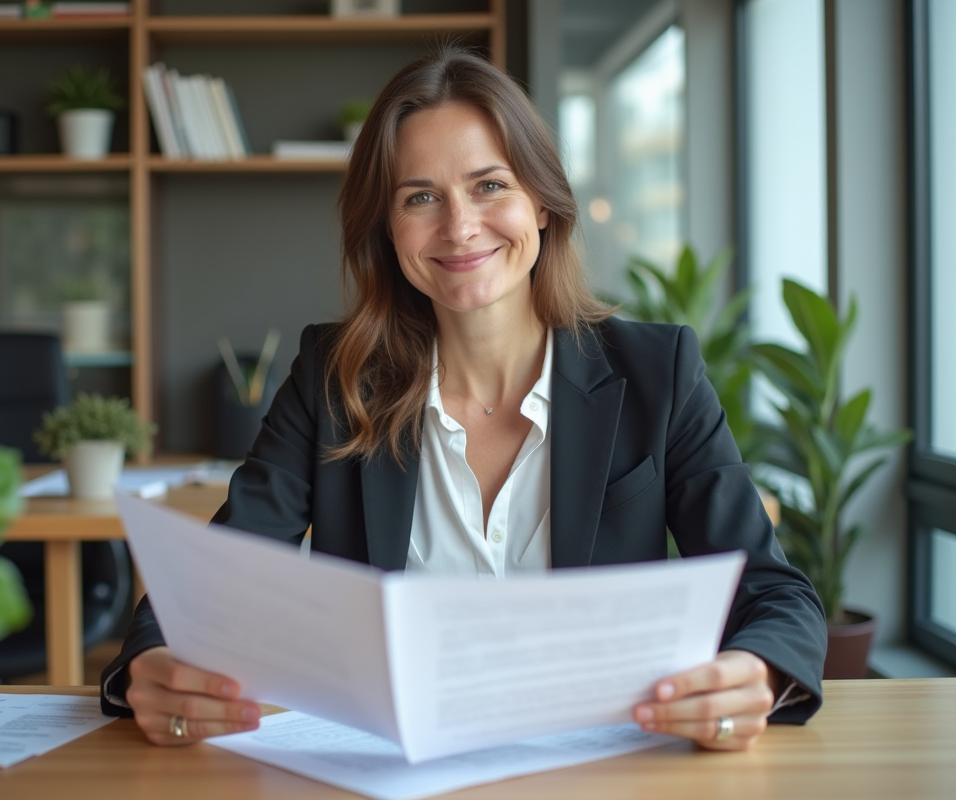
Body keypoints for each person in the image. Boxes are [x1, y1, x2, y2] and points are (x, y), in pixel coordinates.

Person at [101, 45, 826, 752]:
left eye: (489, 186)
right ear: (388, 230)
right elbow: (210, 591)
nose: (460, 226)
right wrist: (151, 665)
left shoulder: (656, 372)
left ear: (541, 202)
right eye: (421, 197)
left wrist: (749, 674)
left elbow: (776, 597)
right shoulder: (334, 375)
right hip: (387, 774)